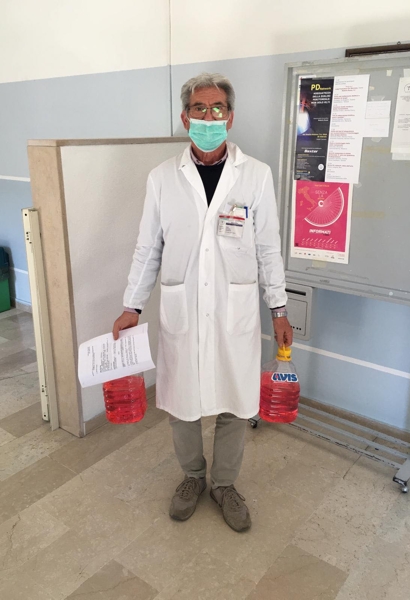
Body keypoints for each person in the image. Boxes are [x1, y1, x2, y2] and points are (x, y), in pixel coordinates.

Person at [112, 72, 292, 533]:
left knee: (235, 400)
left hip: (235, 309)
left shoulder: (256, 175)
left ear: (230, 117)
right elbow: (148, 247)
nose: (208, 117)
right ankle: (193, 476)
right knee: (181, 400)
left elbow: (268, 247)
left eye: (217, 109)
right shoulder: (162, 178)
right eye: (199, 108)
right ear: (184, 117)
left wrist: (278, 307)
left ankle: (224, 484)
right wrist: (132, 305)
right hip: (183, 308)